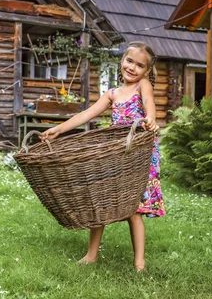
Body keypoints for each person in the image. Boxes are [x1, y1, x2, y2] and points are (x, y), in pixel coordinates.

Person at [40, 41, 165, 272]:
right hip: (118, 154)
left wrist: (151, 119)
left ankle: (139, 263)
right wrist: (58, 129)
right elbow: (87, 114)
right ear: (121, 61)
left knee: (134, 209)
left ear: (146, 71)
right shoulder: (113, 93)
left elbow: (150, 104)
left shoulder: (142, 85)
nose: (132, 68)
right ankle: (91, 255)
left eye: (139, 65)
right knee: (101, 201)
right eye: (129, 61)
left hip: (138, 153)